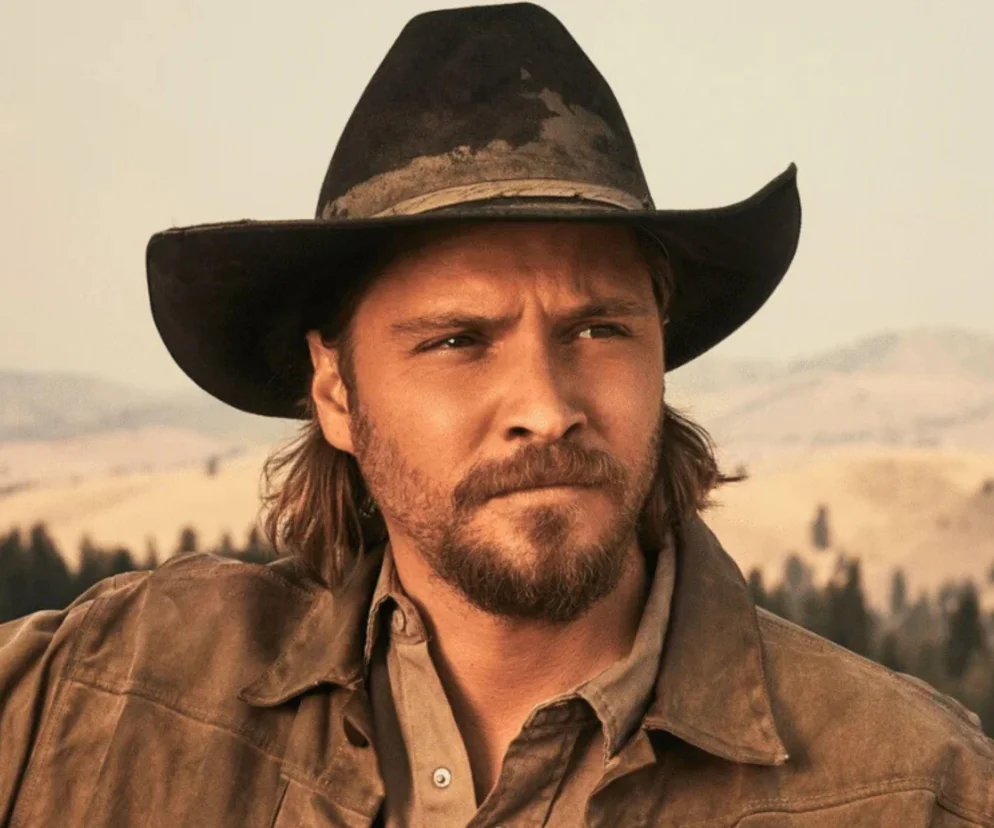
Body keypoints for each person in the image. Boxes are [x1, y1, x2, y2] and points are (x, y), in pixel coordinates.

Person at [2, 4, 992, 827]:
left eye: (599, 330)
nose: (546, 409)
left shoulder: (915, 790)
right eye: (457, 341)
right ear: (337, 391)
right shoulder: (98, 700)